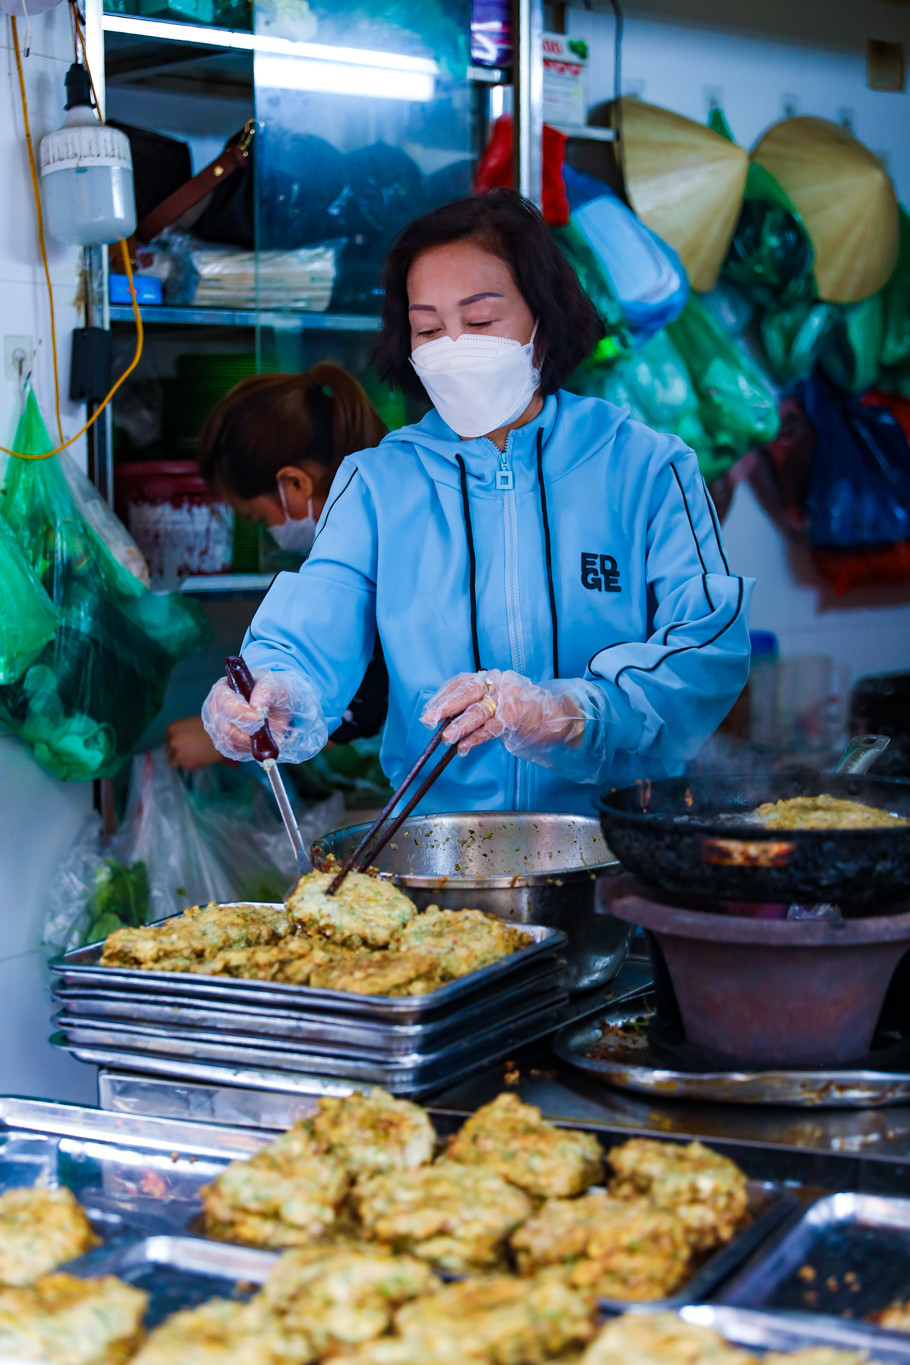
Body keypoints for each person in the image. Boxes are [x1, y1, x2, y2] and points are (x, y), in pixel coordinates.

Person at [201, 190, 754, 814]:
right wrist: (276, 691)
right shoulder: (379, 483)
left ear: (543, 319)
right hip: (444, 854)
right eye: (429, 329)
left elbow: (707, 644)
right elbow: (312, 633)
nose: (454, 347)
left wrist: (564, 714)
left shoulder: (648, 467)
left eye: (482, 321)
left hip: (620, 836)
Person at [165, 363, 389, 770]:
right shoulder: (380, 511)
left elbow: (377, 693)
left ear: (296, 484)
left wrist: (232, 741)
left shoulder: (390, 536)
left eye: (258, 518)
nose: (268, 534)